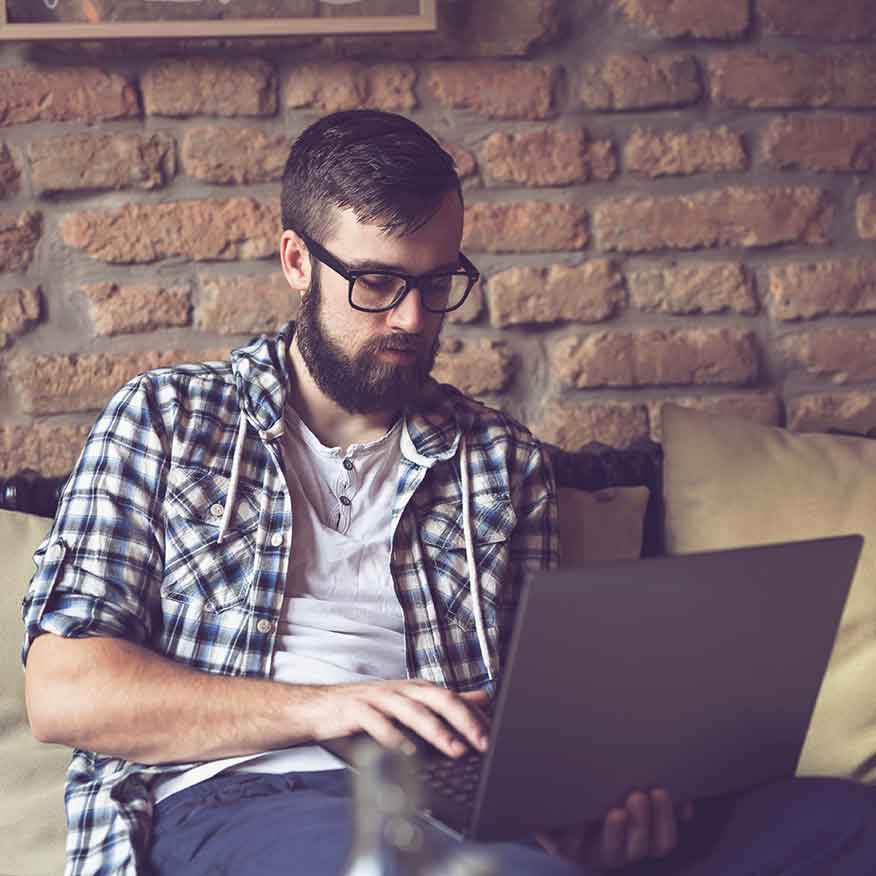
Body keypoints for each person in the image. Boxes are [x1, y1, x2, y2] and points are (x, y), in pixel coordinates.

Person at [21, 110, 876, 876]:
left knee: (846, 823)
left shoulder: (501, 463)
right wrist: (333, 709)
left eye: (437, 286)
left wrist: (587, 826)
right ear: (296, 261)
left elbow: (530, 731)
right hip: (236, 799)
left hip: (456, 809)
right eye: (378, 284)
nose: (411, 319)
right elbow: (67, 693)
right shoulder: (168, 419)